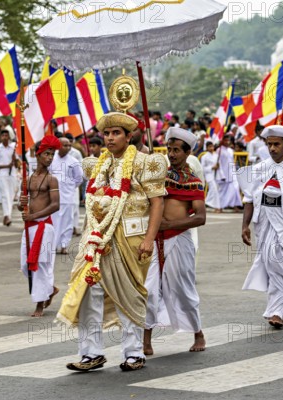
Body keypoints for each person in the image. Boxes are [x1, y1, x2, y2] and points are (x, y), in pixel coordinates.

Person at [59, 112, 167, 372]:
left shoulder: (145, 162)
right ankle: (91, 353)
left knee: (127, 294)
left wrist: (150, 239)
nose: (110, 138)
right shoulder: (99, 164)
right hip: (96, 238)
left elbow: (157, 202)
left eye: (116, 133)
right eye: (106, 134)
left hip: (131, 238)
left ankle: (134, 354)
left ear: (129, 136)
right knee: (88, 293)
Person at [237, 126, 283, 328]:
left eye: (276, 144)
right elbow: (249, 199)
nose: (272, 148)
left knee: (278, 263)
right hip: (263, 223)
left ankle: (276, 311)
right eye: (269, 144)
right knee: (273, 265)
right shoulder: (259, 168)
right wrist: (245, 225)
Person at [143, 127, 207, 355]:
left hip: (179, 240)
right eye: (169, 149)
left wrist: (169, 225)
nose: (171, 154)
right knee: (149, 289)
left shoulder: (194, 182)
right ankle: (146, 338)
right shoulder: (159, 175)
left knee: (182, 289)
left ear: (188, 152)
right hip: (154, 239)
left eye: (177, 150)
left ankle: (198, 332)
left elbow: (200, 218)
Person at [18, 136, 61, 317]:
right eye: (46, 154)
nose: (50, 158)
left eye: (52, 154)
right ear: (38, 155)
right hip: (29, 227)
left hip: (44, 227)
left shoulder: (52, 180)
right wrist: (21, 204)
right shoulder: (27, 179)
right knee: (24, 264)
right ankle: (49, 289)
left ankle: (39, 305)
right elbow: (22, 205)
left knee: (41, 265)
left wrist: (33, 215)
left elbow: (55, 205)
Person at [49, 137, 83, 254]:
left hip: (68, 197)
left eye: (69, 145)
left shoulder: (73, 161)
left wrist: (69, 187)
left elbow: (79, 179)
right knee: (54, 222)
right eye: (65, 145)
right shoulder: (51, 159)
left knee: (67, 222)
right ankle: (53, 245)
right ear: (58, 146)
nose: (68, 147)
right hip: (53, 198)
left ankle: (64, 245)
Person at [207, 135, 242, 212]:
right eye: (225, 140)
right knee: (222, 192)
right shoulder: (219, 151)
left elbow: (232, 162)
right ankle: (219, 207)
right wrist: (221, 175)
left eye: (228, 140)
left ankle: (235, 206)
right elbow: (218, 163)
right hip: (223, 175)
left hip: (231, 173)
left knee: (235, 189)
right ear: (222, 141)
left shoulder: (230, 150)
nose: (227, 142)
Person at [0, 130, 17, 226]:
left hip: (12, 175)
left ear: (9, 137)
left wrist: (15, 160)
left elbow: (18, 162)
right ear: (0, 137)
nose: (5, 137)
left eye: (6, 135)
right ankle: (7, 216)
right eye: (3, 135)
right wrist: (7, 166)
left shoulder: (13, 147)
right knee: (5, 196)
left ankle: (7, 215)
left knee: (11, 196)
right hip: (2, 175)